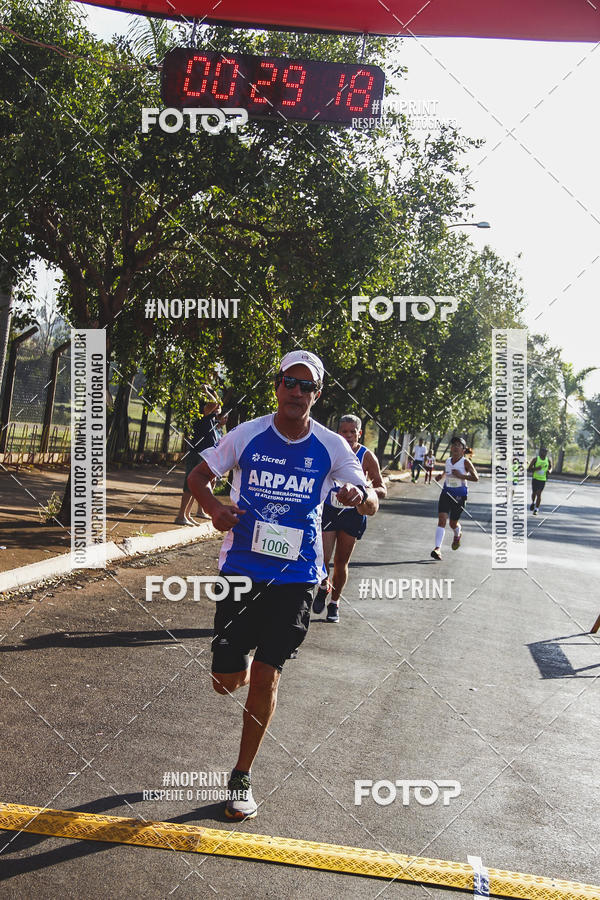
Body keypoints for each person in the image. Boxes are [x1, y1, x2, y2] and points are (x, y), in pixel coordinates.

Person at [188, 350, 378, 820]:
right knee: (224, 682)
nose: (296, 392)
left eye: (306, 386)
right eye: (289, 383)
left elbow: (371, 500)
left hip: (297, 575)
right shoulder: (248, 434)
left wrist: (360, 495)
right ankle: (245, 668)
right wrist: (213, 510)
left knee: (268, 675)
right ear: (277, 386)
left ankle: (241, 776)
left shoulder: (333, 446)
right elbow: (198, 476)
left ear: (317, 394)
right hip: (241, 570)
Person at [313, 414, 387, 622]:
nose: (348, 436)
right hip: (329, 510)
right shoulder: (329, 451)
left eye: (352, 432)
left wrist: (366, 491)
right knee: (322, 558)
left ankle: (335, 603)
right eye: (344, 432)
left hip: (353, 514)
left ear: (359, 433)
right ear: (338, 433)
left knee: (341, 562)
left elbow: (382, 487)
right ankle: (324, 585)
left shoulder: (366, 456)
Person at [430, 436, 479, 560]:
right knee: (442, 519)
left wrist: (462, 476)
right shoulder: (448, 461)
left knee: (452, 523)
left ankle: (457, 533)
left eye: (459, 445)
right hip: (446, 493)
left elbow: (476, 478)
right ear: (451, 448)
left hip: (460, 496)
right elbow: (448, 471)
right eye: (454, 445)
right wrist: (441, 475)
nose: (455, 447)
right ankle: (437, 549)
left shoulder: (465, 462)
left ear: (463, 449)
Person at [175, 400, 221, 525]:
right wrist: (207, 391)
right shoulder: (203, 413)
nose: (217, 409)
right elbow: (215, 403)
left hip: (204, 453)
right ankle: (181, 515)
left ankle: (187, 514)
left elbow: (217, 404)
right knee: (190, 484)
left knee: (199, 484)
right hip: (197, 453)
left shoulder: (211, 418)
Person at [528, 446, 552, 515]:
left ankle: (536, 509)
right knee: (534, 493)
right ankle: (533, 502)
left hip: (543, 479)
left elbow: (550, 467)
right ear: (540, 452)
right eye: (543, 451)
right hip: (535, 478)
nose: (544, 453)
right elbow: (529, 469)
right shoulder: (535, 459)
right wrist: (536, 468)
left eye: (546, 452)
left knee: (539, 494)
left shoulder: (548, 460)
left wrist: (549, 471)